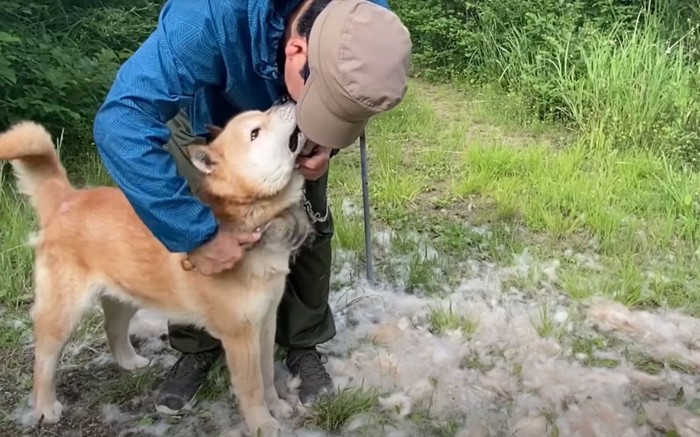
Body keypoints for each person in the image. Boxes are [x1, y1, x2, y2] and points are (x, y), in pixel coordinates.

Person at [92, 0, 411, 415]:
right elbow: (121, 122)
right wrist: (196, 233)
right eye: (323, 102)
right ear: (297, 51)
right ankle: (197, 344)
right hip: (208, 107)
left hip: (281, 121)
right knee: (201, 221)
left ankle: (301, 341)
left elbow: (355, 87)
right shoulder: (205, 17)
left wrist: (328, 139)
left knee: (302, 220)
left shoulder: (365, 18)